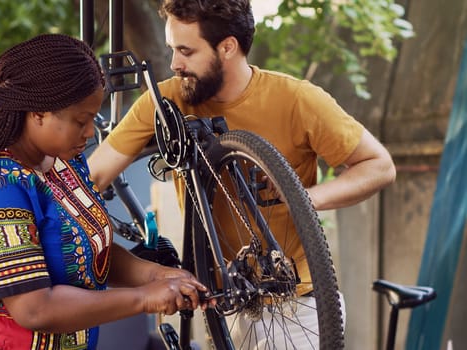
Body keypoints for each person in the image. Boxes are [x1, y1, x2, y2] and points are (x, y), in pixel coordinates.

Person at [88, 0, 397, 348]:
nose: (175, 64)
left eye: (186, 51)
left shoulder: (296, 99)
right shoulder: (166, 100)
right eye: (172, 49)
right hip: (222, 303)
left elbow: (380, 166)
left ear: (228, 47)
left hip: (296, 306)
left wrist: (303, 197)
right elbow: (92, 178)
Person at [0, 33, 209, 350]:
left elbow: (87, 254)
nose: (89, 132)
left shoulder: (63, 165)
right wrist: (144, 299)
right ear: (38, 112)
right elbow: (35, 308)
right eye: (81, 120)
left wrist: (156, 275)